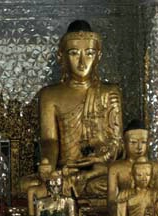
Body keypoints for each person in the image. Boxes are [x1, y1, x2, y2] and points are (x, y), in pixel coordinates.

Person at [37, 20, 123, 197]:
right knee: (30, 186)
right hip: (66, 170)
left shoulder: (110, 92)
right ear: (61, 56)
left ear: (98, 56)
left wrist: (98, 159)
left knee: (116, 183)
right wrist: (48, 166)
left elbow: (117, 143)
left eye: (89, 53)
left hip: (99, 171)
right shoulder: (49, 95)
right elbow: (49, 141)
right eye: (74, 53)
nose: (82, 62)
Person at [108, 120, 158, 216]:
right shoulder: (116, 168)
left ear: (148, 142)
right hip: (123, 214)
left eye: (143, 142)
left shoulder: (156, 166)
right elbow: (112, 198)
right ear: (124, 143)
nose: (139, 147)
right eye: (133, 142)